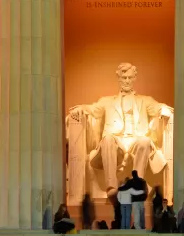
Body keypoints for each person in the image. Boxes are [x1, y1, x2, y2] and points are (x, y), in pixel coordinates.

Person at [68, 63, 173, 197]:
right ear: (119, 79)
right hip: (116, 140)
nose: (127, 81)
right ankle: (111, 186)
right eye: (124, 78)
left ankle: (137, 184)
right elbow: (92, 109)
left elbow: (158, 107)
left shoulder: (145, 100)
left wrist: (164, 109)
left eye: (130, 78)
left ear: (134, 78)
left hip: (136, 138)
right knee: (108, 139)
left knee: (145, 141)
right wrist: (80, 108)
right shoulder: (106, 101)